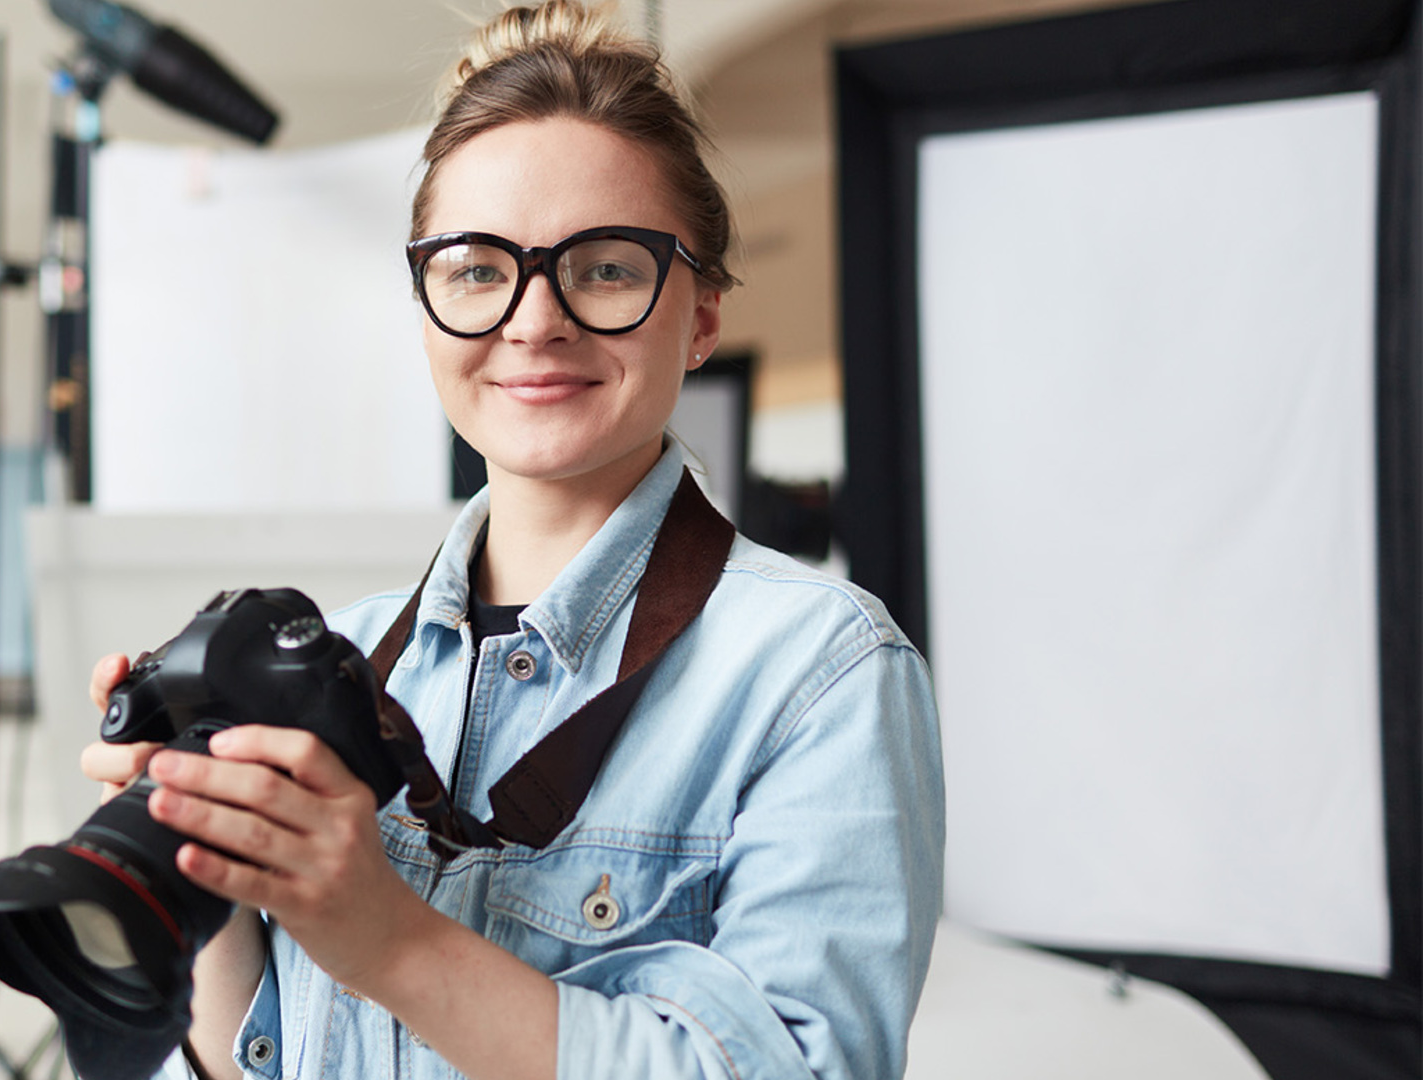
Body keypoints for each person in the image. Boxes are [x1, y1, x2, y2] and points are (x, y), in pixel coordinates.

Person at [81, 3, 944, 1077]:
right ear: (427, 306)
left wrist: (390, 941)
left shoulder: (818, 673)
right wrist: (195, 867)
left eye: (608, 268)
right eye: (479, 270)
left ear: (705, 315)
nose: (534, 321)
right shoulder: (337, 658)